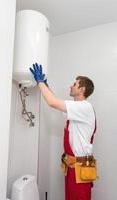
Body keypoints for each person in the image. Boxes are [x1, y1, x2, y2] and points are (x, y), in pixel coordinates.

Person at [29, 63, 97, 200]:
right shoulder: (76, 109)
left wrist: (40, 82)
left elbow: (52, 102)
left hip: (80, 168)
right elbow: (56, 103)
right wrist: (45, 86)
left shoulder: (85, 107)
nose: (71, 86)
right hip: (72, 166)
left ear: (82, 89)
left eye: (74, 84)